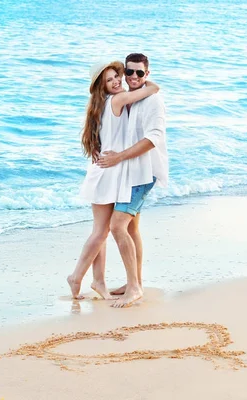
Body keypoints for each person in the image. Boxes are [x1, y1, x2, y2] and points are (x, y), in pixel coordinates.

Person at [67, 60, 159, 301]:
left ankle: (98, 280)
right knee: (101, 232)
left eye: (116, 76)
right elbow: (152, 89)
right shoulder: (116, 100)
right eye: (110, 80)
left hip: (105, 172)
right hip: (107, 173)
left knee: (101, 231)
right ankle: (76, 276)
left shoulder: (98, 107)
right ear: (102, 87)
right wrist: (145, 78)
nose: (118, 81)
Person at [96, 53, 169, 308]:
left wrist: (119, 158)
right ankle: (134, 281)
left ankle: (135, 288)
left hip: (143, 172)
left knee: (117, 227)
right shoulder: (127, 99)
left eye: (140, 73)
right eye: (130, 72)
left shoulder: (153, 102)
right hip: (127, 172)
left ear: (146, 74)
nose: (134, 77)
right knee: (132, 229)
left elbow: (153, 139)